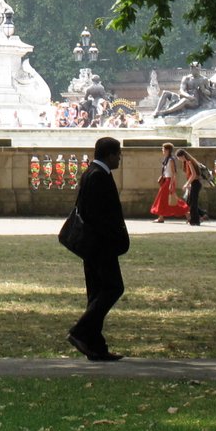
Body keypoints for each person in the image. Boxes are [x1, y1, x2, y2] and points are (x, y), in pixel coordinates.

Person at [67, 135, 129, 361]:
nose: (120, 159)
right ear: (110, 154)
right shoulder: (97, 176)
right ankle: (80, 331)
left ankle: (96, 346)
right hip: (100, 246)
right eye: (118, 155)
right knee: (113, 288)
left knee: (97, 294)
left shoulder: (93, 173)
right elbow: (96, 214)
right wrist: (112, 236)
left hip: (94, 245)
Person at [148, 142, 189, 223]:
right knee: (165, 199)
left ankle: (186, 212)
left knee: (168, 199)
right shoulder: (166, 160)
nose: (162, 151)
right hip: (166, 181)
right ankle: (162, 216)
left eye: (163, 149)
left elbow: (174, 173)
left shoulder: (170, 160)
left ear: (167, 150)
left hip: (169, 181)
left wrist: (171, 184)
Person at [177, 149, 209, 225]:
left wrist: (187, 184)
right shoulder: (187, 162)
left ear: (183, 156)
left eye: (179, 158)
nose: (179, 160)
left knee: (193, 203)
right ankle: (200, 215)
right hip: (194, 184)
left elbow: (194, 175)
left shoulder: (189, 162)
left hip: (195, 183)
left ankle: (195, 220)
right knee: (190, 202)